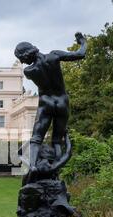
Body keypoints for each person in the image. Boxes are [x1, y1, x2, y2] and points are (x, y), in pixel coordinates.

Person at [14, 32, 87, 174]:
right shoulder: (54, 56)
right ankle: (55, 170)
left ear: (26, 54)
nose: (23, 62)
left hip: (45, 103)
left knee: (36, 138)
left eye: (21, 58)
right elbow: (80, 54)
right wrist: (83, 41)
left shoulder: (29, 71)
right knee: (56, 140)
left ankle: (33, 166)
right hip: (62, 102)